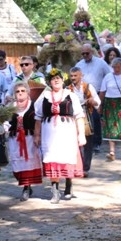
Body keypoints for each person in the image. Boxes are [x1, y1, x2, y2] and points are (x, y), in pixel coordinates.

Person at [34, 68, 86, 204]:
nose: (56, 80)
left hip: (67, 132)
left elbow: (79, 116)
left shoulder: (71, 95)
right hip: (49, 133)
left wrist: (81, 135)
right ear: (49, 82)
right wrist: (37, 135)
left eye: (58, 78)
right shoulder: (44, 97)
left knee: (67, 156)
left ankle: (68, 184)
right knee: (52, 158)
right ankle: (55, 191)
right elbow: (38, 117)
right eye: (53, 79)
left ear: (63, 80)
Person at [4, 81, 42, 201]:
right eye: (17, 91)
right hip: (15, 139)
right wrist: (6, 127)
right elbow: (4, 121)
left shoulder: (34, 105)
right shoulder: (10, 107)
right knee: (16, 164)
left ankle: (26, 187)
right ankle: (23, 183)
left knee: (28, 162)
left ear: (27, 92)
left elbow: (38, 120)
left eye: (22, 91)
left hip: (29, 138)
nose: (20, 93)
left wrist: (37, 136)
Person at [74, 43, 110, 154]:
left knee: (95, 118)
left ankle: (96, 143)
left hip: (96, 94)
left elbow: (108, 75)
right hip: (83, 94)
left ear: (92, 52)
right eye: (83, 53)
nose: (85, 55)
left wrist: (105, 91)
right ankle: (86, 141)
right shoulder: (79, 64)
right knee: (84, 118)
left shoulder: (101, 62)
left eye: (87, 53)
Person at [68, 66, 100, 176]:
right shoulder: (67, 89)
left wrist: (92, 101)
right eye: (71, 76)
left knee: (88, 142)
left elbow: (98, 103)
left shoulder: (88, 87)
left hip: (87, 115)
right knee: (73, 142)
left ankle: (85, 168)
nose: (73, 78)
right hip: (72, 117)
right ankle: (76, 167)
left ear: (81, 76)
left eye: (75, 76)